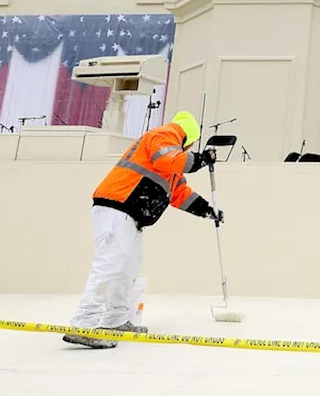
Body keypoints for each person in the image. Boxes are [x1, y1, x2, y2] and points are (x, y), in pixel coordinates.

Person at [63, 111, 223, 349]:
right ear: (188, 136)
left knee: (128, 269)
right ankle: (83, 324)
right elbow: (166, 159)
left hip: (131, 216)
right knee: (110, 264)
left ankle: (115, 321)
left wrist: (208, 210)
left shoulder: (172, 164)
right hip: (117, 207)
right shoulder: (165, 134)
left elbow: (179, 195)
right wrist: (200, 160)